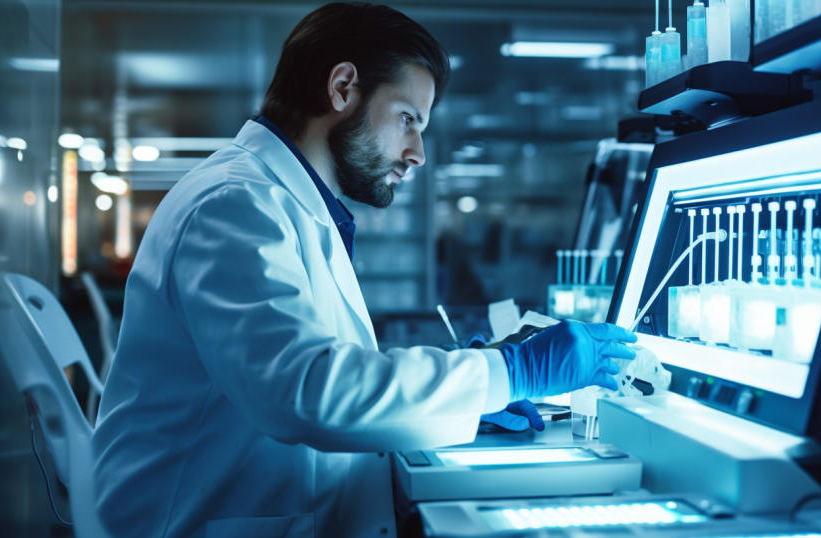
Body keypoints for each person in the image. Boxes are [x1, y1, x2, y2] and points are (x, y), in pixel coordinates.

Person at [91, 3, 637, 536]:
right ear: (343, 87)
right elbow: (309, 391)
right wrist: (512, 372)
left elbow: (332, 378)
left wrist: (469, 397)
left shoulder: (287, 204)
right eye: (407, 120)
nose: (417, 152)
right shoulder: (234, 205)